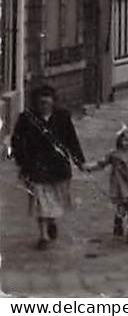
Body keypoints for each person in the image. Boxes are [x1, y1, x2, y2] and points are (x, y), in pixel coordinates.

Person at [10, 84, 86, 249]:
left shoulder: (62, 117)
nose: (44, 101)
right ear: (36, 101)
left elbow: (71, 139)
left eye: (48, 97)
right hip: (36, 167)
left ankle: (51, 221)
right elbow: (17, 141)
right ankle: (43, 235)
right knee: (41, 201)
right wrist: (23, 162)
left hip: (58, 167)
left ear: (53, 100)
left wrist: (80, 160)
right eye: (41, 97)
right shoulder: (27, 118)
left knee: (55, 200)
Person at [85, 125, 128, 243]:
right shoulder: (114, 154)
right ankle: (119, 224)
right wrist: (90, 167)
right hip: (120, 185)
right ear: (119, 141)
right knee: (121, 208)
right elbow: (102, 163)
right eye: (125, 141)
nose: (127, 144)